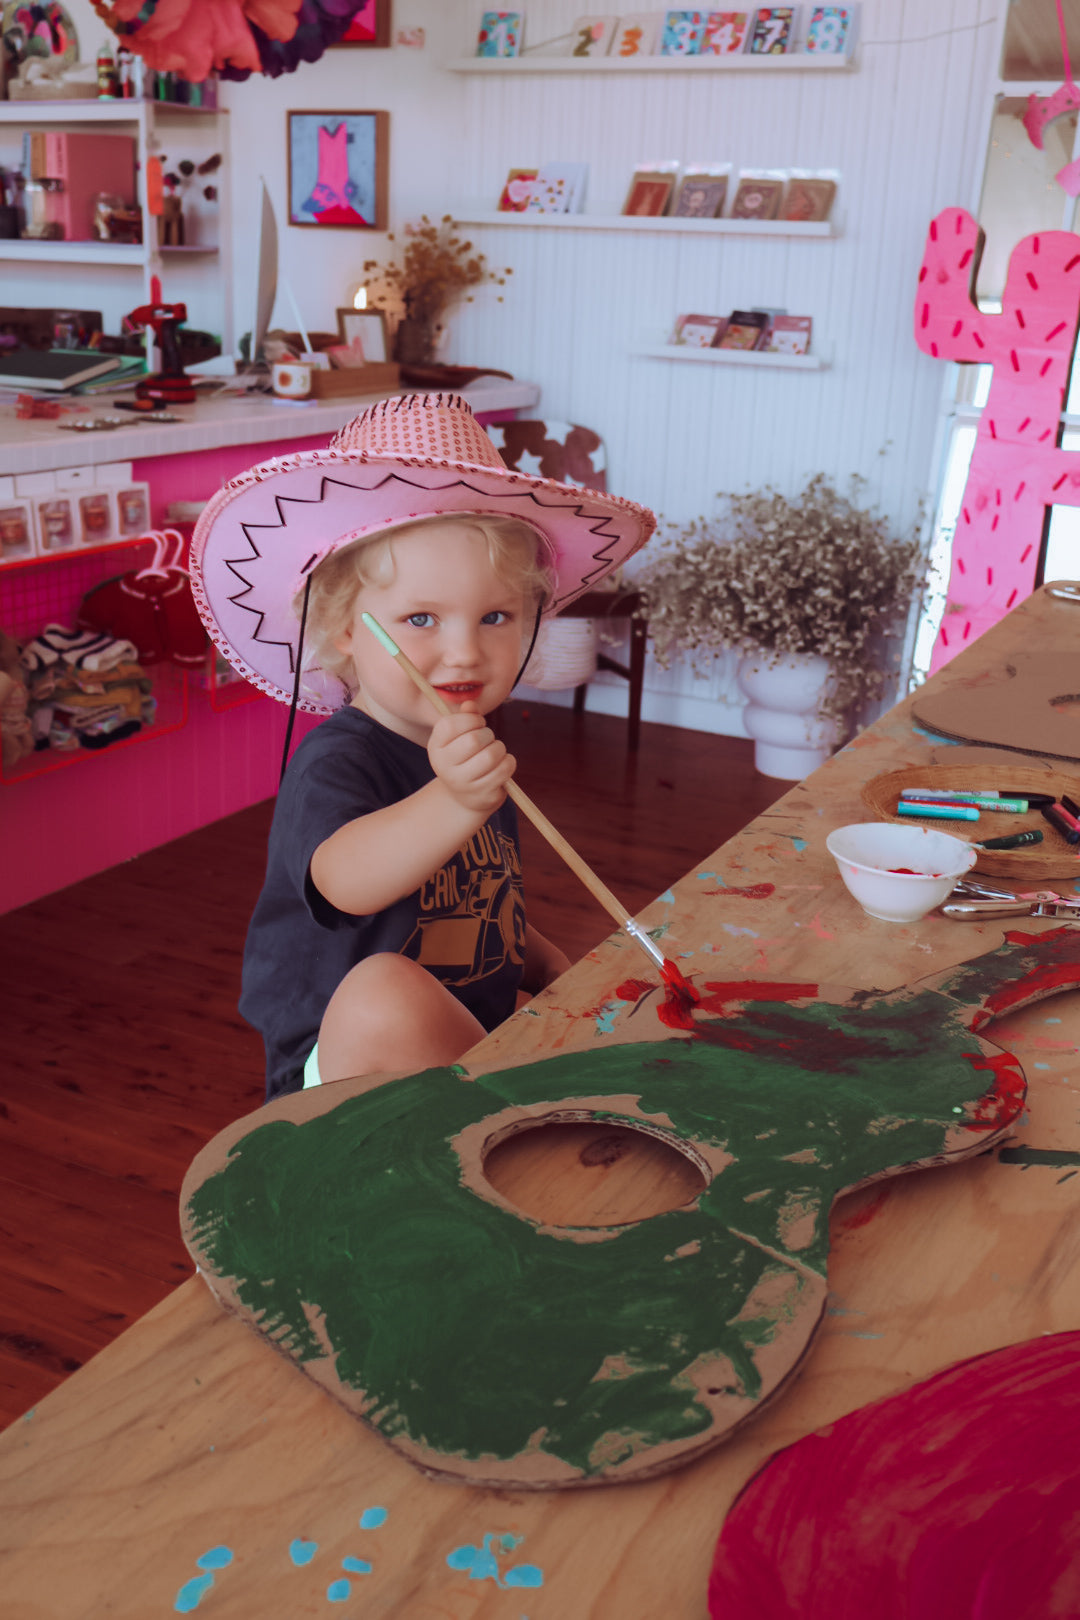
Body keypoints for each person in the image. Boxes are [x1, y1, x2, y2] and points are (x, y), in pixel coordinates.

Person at [189, 392, 656, 1101]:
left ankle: (507, 1104)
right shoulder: (342, 760)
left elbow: (478, 905)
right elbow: (346, 883)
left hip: (459, 1043)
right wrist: (454, 800)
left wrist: (550, 967)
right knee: (382, 991)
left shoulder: (465, 746)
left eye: (496, 616)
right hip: (344, 1070)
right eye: (420, 619)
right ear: (346, 628)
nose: (465, 652)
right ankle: (531, 1106)